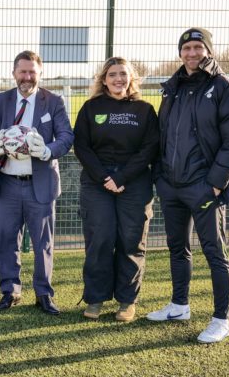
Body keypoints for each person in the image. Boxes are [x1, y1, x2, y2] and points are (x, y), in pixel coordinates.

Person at [146, 28, 229, 343]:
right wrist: (161, 177)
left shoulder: (224, 88)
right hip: (172, 186)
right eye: (186, 48)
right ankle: (180, 305)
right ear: (180, 52)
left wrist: (215, 185)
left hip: (204, 188)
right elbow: (164, 136)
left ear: (208, 50)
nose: (192, 53)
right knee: (178, 248)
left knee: (214, 252)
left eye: (197, 47)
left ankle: (222, 319)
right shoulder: (172, 88)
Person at [0, 50, 74, 315]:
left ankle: (43, 293)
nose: (27, 77)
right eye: (22, 71)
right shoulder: (0, 101)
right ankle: (10, 290)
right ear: (14, 73)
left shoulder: (53, 102)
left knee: (43, 242)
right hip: (8, 183)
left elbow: (66, 136)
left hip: (40, 183)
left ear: (39, 73)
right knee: (7, 239)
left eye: (32, 72)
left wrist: (47, 151)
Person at [73, 57, 159, 322]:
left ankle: (126, 301)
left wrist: (122, 176)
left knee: (131, 241)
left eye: (123, 74)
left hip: (134, 181)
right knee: (100, 240)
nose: (118, 79)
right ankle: (95, 298)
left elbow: (150, 148)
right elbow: (82, 147)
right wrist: (104, 177)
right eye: (112, 74)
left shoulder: (144, 109)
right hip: (97, 182)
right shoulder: (91, 108)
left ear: (131, 78)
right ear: (104, 79)